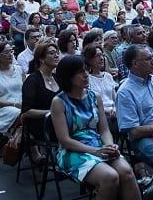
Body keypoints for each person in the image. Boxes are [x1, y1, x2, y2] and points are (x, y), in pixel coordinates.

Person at [50, 55, 141, 200]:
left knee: (127, 172)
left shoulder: (94, 96)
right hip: (72, 151)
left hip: (97, 143)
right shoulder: (59, 102)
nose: (86, 75)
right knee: (110, 177)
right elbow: (65, 140)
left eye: (86, 70)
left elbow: (104, 130)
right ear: (68, 77)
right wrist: (95, 151)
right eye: (80, 72)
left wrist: (110, 145)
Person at [116, 44, 153, 166]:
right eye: (148, 59)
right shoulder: (125, 92)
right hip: (146, 138)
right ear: (135, 64)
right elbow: (134, 132)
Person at [21, 41, 60, 141]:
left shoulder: (58, 78)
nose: (56, 56)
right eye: (52, 53)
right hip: (42, 123)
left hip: (59, 120)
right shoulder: (32, 80)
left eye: (57, 53)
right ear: (41, 59)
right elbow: (26, 111)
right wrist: (51, 112)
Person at [0, 41, 24, 136]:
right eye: (7, 52)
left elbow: (26, 90)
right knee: (24, 115)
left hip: (21, 105)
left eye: (11, 51)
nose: (10, 55)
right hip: (2, 109)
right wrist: (14, 104)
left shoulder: (19, 69)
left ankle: (19, 135)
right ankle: (27, 143)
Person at [85, 45, 117, 136]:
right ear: (89, 59)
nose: (101, 58)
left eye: (102, 55)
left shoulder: (108, 76)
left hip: (113, 112)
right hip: (99, 115)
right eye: (97, 56)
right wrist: (105, 112)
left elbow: (114, 98)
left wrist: (115, 109)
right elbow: (90, 103)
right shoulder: (87, 79)